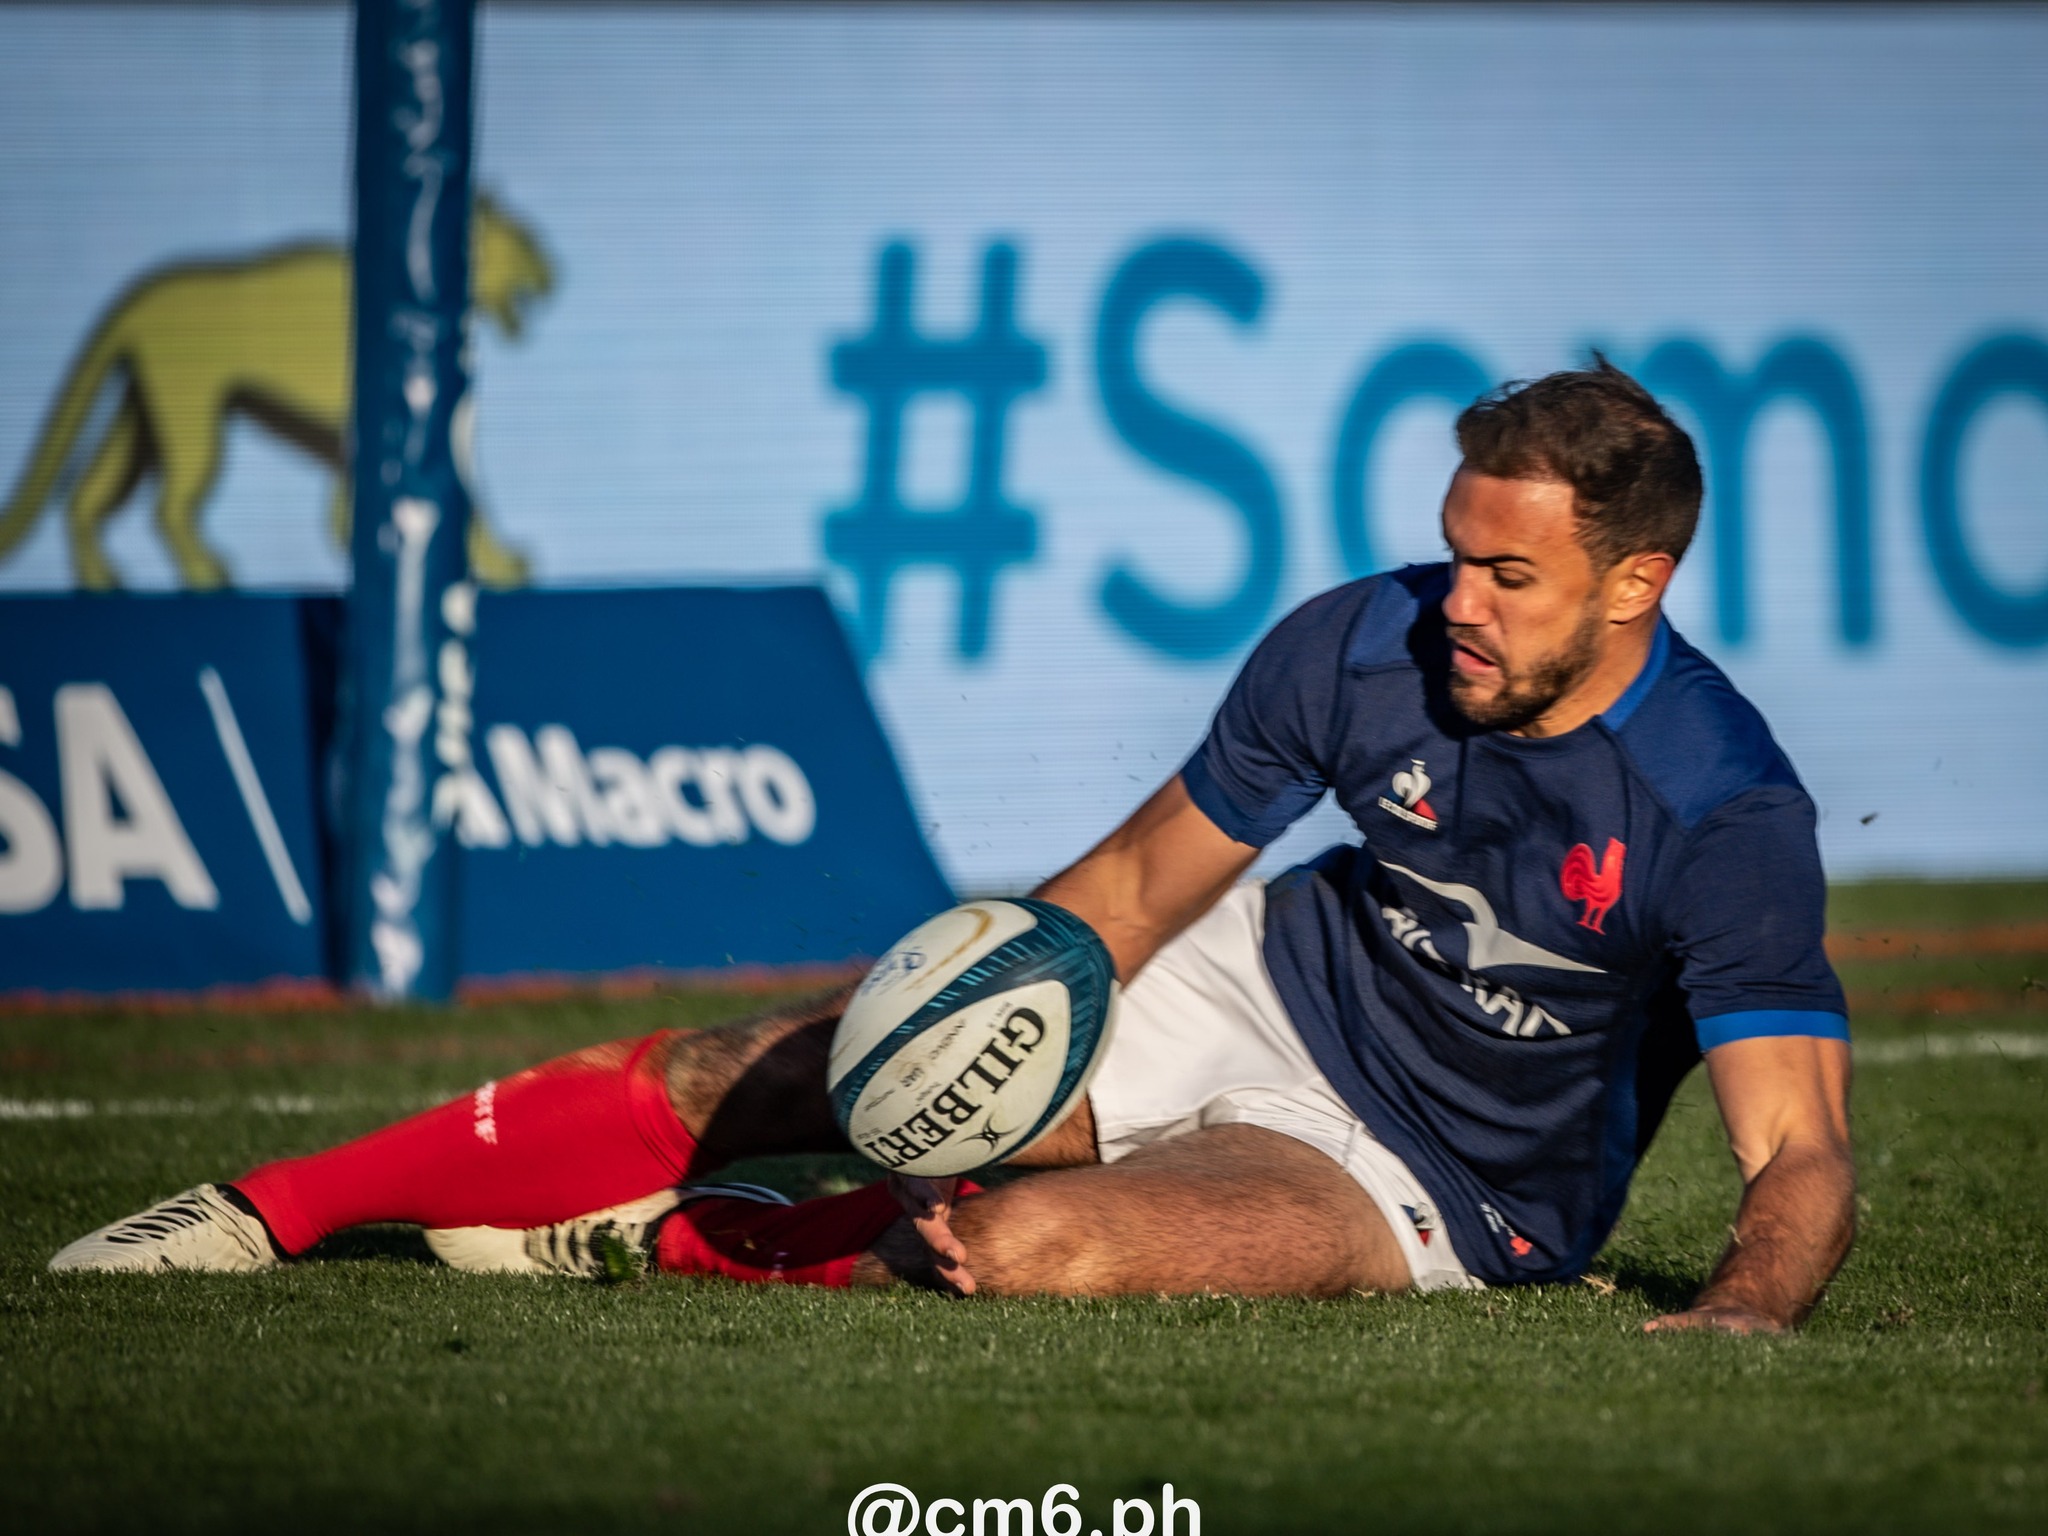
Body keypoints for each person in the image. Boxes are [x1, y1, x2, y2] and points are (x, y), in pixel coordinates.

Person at [50, 360, 1855, 1335]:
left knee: (1030, 1253)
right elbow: (1141, 890)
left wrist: (1741, 1314)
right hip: (1262, 985)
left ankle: (683, 1247)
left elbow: (1803, 1156)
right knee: (762, 1059)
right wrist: (953, 1005)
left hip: (1449, 1184)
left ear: (1637, 585)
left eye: (1506, 576)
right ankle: (262, 1209)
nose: (1453, 600)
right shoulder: (1356, 641)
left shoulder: (1723, 812)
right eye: (1454, 550)